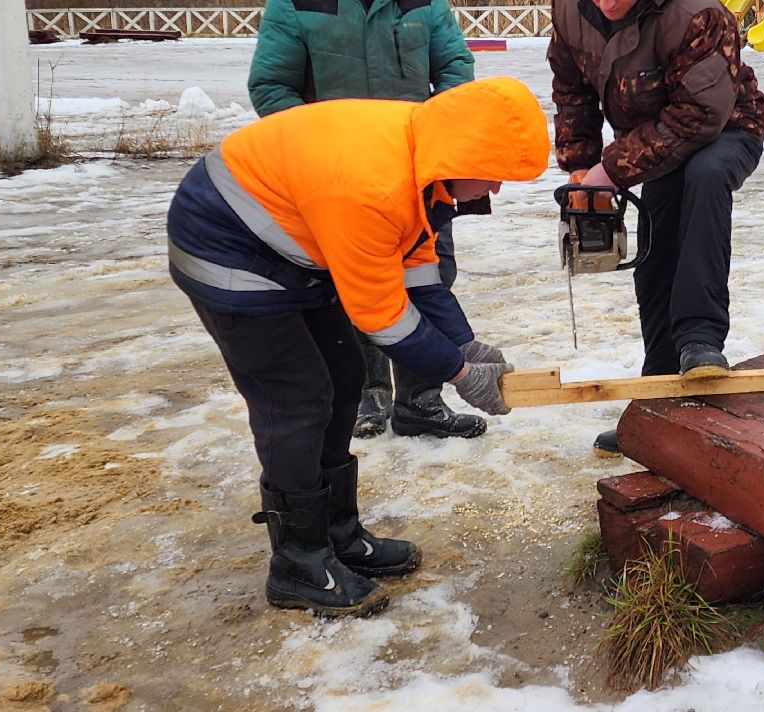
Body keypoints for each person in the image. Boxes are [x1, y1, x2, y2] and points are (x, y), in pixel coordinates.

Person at [167, 76, 549, 617]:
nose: (498, 190)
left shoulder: (425, 169)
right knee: (297, 398)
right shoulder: (373, 186)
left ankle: (337, 534)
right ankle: (298, 562)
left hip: (295, 243)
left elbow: (417, 271)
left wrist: (466, 343)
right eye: (497, 175)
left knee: (345, 378)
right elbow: (383, 317)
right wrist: (462, 375)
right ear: (464, 156)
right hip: (227, 247)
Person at [248, 0, 483, 441]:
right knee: (348, 286)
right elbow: (271, 88)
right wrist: (320, 149)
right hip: (336, 182)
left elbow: (455, 70)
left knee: (430, 278)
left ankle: (421, 400)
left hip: (415, 175)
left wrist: (440, 136)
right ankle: (365, 395)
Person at [547, 0, 764, 459]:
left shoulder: (696, 13)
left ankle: (700, 340)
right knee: (656, 244)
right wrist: (581, 172)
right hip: (650, 139)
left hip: (724, 128)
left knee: (704, 177)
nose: (606, 2)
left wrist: (612, 168)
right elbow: (572, 93)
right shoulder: (568, 7)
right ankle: (657, 390)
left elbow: (700, 117)